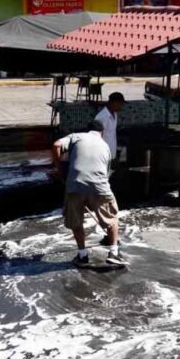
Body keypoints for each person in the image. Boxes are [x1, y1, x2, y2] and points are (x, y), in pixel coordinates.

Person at [52, 122, 127, 266]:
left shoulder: (76, 136)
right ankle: (114, 253)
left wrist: (59, 170)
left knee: (76, 221)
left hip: (74, 185)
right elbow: (105, 174)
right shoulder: (106, 146)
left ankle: (82, 255)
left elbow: (56, 145)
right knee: (112, 219)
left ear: (87, 131)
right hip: (99, 186)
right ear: (102, 133)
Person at [93, 92, 126, 159]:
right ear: (114, 103)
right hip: (103, 155)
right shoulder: (102, 117)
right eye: (120, 104)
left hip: (111, 153)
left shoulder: (115, 115)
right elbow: (97, 137)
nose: (121, 107)